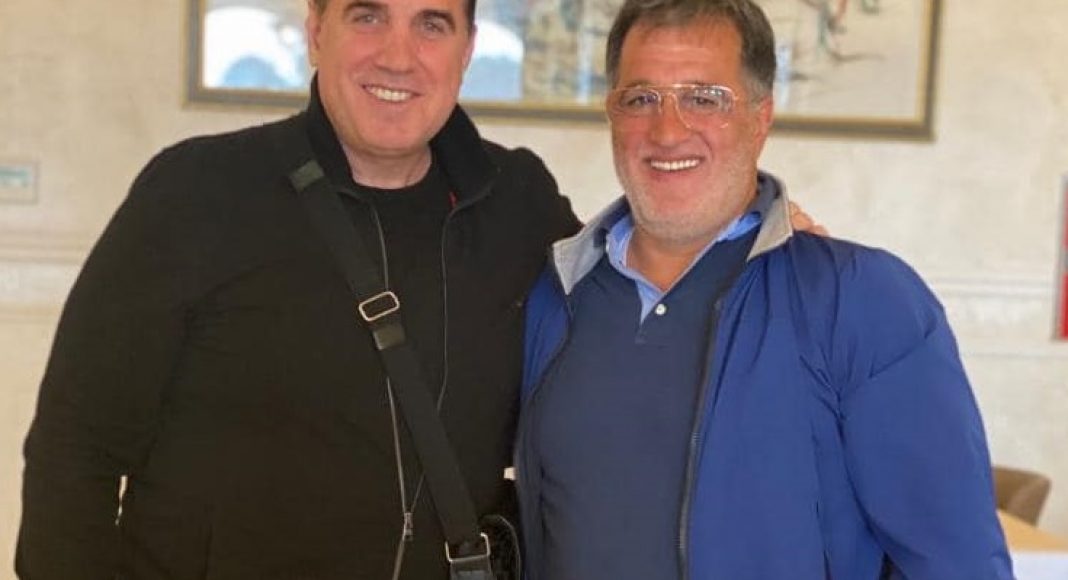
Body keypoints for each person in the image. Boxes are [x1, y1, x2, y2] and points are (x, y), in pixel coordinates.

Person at [15, 0, 823, 577]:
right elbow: (73, 453)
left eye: (432, 23)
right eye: (368, 16)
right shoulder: (196, 192)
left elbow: (640, 298)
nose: (397, 57)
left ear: (466, 49)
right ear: (316, 31)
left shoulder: (517, 202)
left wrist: (758, 239)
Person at [516, 0, 1013, 579]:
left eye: (705, 99)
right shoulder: (553, 298)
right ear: (612, 113)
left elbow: (957, 564)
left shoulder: (863, 301)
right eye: (641, 98)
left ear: (761, 118)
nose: (667, 130)